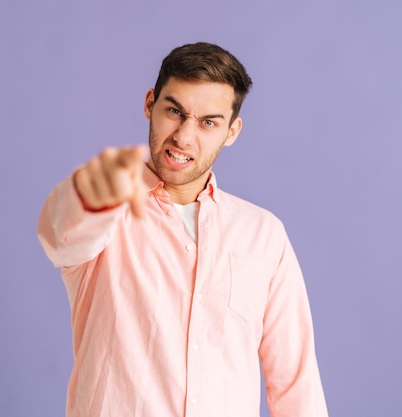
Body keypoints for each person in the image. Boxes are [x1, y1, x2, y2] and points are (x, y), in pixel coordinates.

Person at [37, 42, 328, 417]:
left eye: (209, 121)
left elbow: (295, 383)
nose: (184, 136)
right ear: (149, 105)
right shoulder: (105, 212)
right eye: (175, 111)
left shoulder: (263, 234)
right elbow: (60, 237)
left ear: (232, 131)